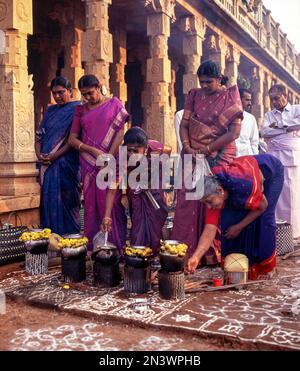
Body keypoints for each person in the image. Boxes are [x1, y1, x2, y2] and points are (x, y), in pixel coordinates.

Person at [172, 60, 244, 263]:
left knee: (213, 198)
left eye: (208, 82)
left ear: (219, 79)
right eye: (201, 81)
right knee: (188, 200)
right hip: (192, 152)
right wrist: (187, 145)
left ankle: (212, 253)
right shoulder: (194, 95)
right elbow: (185, 124)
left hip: (219, 154)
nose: (204, 86)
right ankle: (187, 251)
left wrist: (208, 149)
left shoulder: (230, 96)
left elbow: (234, 132)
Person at [186, 154, 284, 280]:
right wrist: (196, 257)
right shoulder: (212, 194)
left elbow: (262, 206)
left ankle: (266, 268)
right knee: (230, 218)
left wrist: (239, 226)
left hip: (271, 173)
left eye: (209, 202)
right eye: (205, 204)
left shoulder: (242, 185)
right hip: (246, 181)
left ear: (220, 191)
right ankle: (240, 266)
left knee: (264, 218)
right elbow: (210, 229)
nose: (209, 207)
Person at [68, 75, 129, 251]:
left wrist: (108, 157)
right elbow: (72, 139)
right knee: (91, 205)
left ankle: (115, 246)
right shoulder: (80, 110)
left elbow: (120, 133)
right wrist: (92, 150)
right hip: (88, 163)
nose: (87, 98)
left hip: (111, 161)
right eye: (83, 94)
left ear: (99, 87)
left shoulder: (115, 104)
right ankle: (93, 248)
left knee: (111, 203)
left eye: (90, 93)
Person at [101, 127, 169, 254]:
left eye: (136, 151)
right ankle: (139, 253)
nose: (131, 154)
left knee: (157, 219)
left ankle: (154, 252)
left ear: (146, 148)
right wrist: (107, 215)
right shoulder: (121, 159)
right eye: (128, 150)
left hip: (154, 187)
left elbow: (168, 151)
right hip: (135, 191)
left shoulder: (155, 148)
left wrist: (155, 175)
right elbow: (112, 189)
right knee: (138, 223)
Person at [35, 76, 81, 235]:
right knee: (49, 201)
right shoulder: (50, 111)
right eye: (55, 93)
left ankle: (71, 241)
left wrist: (54, 156)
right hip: (47, 166)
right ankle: (52, 240)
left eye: (61, 92)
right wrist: (39, 155)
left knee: (69, 202)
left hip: (67, 164)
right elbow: (39, 136)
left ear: (70, 91)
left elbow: (73, 140)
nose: (58, 96)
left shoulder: (77, 109)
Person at [261, 84, 300, 239]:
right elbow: (265, 131)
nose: (274, 102)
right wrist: (288, 129)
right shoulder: (269, 115)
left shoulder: (297, 109)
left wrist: (279, 126)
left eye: (277, 98)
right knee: (275, 193)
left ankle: (295, 231)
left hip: (292, 157)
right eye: (272, 100)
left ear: (285, 96)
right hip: (275, 157)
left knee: (293, 194)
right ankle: (278, 230)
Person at [235, 89, 259, 157]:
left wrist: (255, 159)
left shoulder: (251, 118)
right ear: (238, 98)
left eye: (250, 100)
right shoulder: (227, 115)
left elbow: (254, 142)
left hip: (247, 157)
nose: (250, 103)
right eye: (247, 100)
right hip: (231, 157)